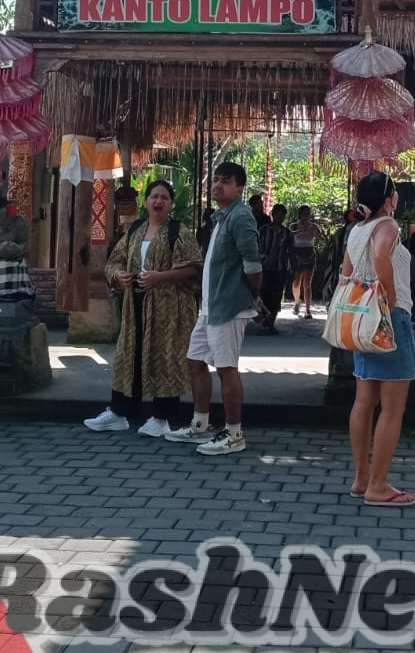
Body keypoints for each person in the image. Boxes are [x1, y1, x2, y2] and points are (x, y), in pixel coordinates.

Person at [85, 180, 201, 438]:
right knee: (129, 355)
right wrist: (119, 275)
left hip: (168, 310)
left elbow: (194, 268)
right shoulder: (135, 229)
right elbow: (113, 261)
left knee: (165, 357)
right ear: (146, 201)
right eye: (154, 197)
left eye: (164, 198)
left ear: (171, 204)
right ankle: (119, 412)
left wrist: (161, 277)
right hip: (134, 305)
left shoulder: (179, 232)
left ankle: (161, 417)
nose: (158, 202)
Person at [167, 162, 262, 456]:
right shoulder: (222, 216)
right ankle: (200, 425)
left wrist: (253, 294)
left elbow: (253, 264)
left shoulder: (241, 216)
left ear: (240, 187)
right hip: (210, 307)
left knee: (226, 368)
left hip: (229, 307)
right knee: (196, 360)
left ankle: (234, 434)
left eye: (226, 181)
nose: (217, 185)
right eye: (216, 180)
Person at [344, 171, 415, 507]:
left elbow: (347, 273)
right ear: (389, 198)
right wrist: (389, 297)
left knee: (365, 399)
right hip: (389, 318)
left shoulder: (356, 230)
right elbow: (380, 257)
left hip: (362, 319)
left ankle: (362, 478)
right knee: (393, 407)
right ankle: (378, 485)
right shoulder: (387, 226)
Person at [257, 203, 291, 334]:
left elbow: (290, 251)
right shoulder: (263, 230)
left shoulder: (287, 234)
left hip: (280, 268)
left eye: (282, 215)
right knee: (264, 294)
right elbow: (256, 247)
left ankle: (271, 323)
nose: (279, 217)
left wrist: (291, 269)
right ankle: (264, 320)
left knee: (276, 297)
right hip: (264, 268)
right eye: (277, 214)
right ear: (272, 214)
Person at [289, 205, 320, 319]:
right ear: (300, 214)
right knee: (296, 282)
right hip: (297, 254)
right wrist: (300, 231)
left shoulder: (313, 226)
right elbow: (289, 236)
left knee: (308, 283)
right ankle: (297, 302)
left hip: (310, 254)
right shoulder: (294, 225)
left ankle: (308, 310)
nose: (307, 216)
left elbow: (322, 239)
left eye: (308, 214)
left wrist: (314, 232)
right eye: (305, 214)